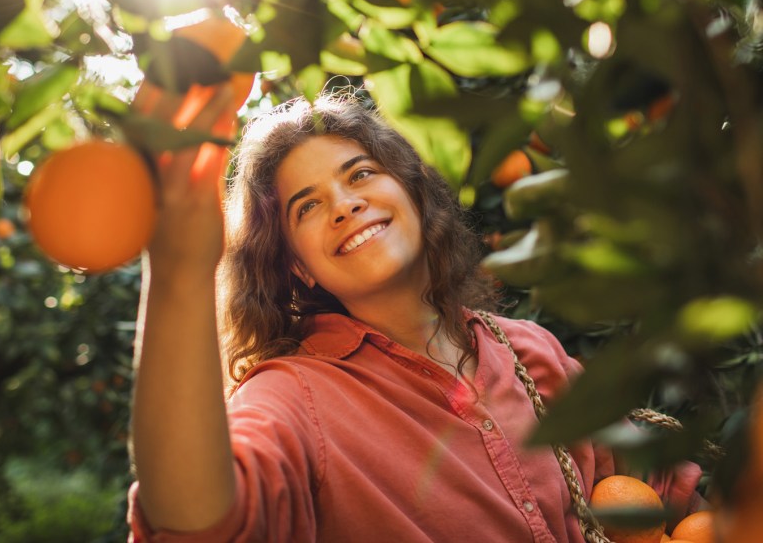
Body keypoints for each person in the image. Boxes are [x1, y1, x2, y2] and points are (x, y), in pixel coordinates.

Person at [126, 93, 703, 542]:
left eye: (360, 174)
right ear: (297, 268)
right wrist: (178, 271)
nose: (345, 204)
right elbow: (198, 521)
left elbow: (657, 492)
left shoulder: (531, 351)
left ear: (413, 193)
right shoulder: (292, 397)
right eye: (308, 206)